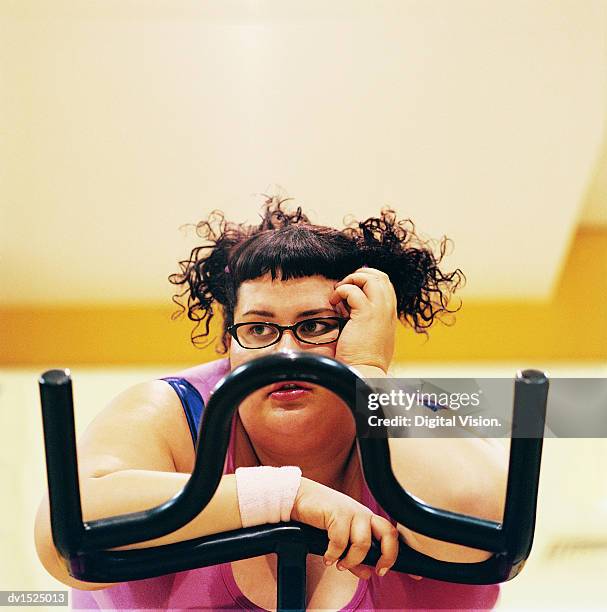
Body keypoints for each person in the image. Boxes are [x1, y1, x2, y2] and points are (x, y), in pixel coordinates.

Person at [34, 196, 508, 610]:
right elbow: (65, 532)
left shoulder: (418, 413)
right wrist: (286, 497)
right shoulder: (173, 410)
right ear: (228, 345)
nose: (286, 355)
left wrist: (366, 372)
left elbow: (478, 528)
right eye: (258, 328)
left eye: (317, 326)